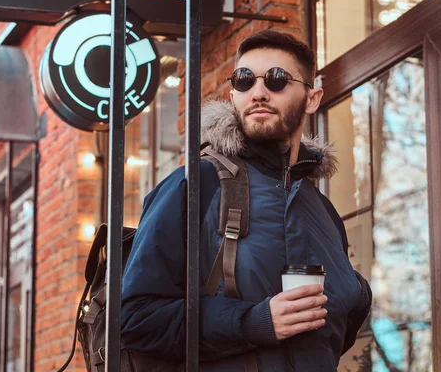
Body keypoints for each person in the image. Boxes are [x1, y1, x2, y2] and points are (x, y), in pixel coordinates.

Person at [121, 30, 372, 371]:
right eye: (244, 80)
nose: (258, 92)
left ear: (312, 99)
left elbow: (331, 336)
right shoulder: (196, 183)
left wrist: (358, 294)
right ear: (232, 94)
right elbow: (135, 318)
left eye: (277, 79)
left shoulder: (323, 209)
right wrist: (252, 322)